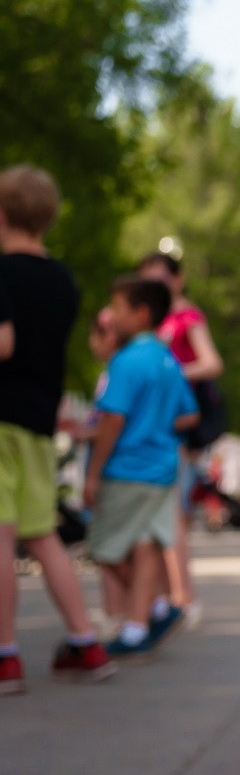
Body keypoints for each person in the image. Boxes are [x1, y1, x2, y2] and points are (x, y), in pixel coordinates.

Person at [0, 166, 115, 693]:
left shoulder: (2, 273)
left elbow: (4, 343)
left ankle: (5, 656)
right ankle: (85, 641)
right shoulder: (63, 281)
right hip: (41, 421)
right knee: (42, 534)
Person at [86, 276, 198, 657]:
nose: (113, 317)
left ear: (142, 312)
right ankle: (143, 621)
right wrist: (156, 425)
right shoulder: (168, 359)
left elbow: (112, 419)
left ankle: (152, 609)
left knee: (104, 547)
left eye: (118, 308)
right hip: (162, 466)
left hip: (127, 466)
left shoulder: (127, 359)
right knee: (144, 545)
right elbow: (188, 413)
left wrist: (92, 472)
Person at [137, 250, 222, 631]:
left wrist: (167, 373)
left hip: (175, 425)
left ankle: (181, 598)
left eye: (161, 278)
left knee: (170, 514)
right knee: (157, 515)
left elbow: (211, 363)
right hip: (147, 424)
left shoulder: (186, 317)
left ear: (177, 279)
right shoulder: (145, 320)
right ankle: (157, 599)